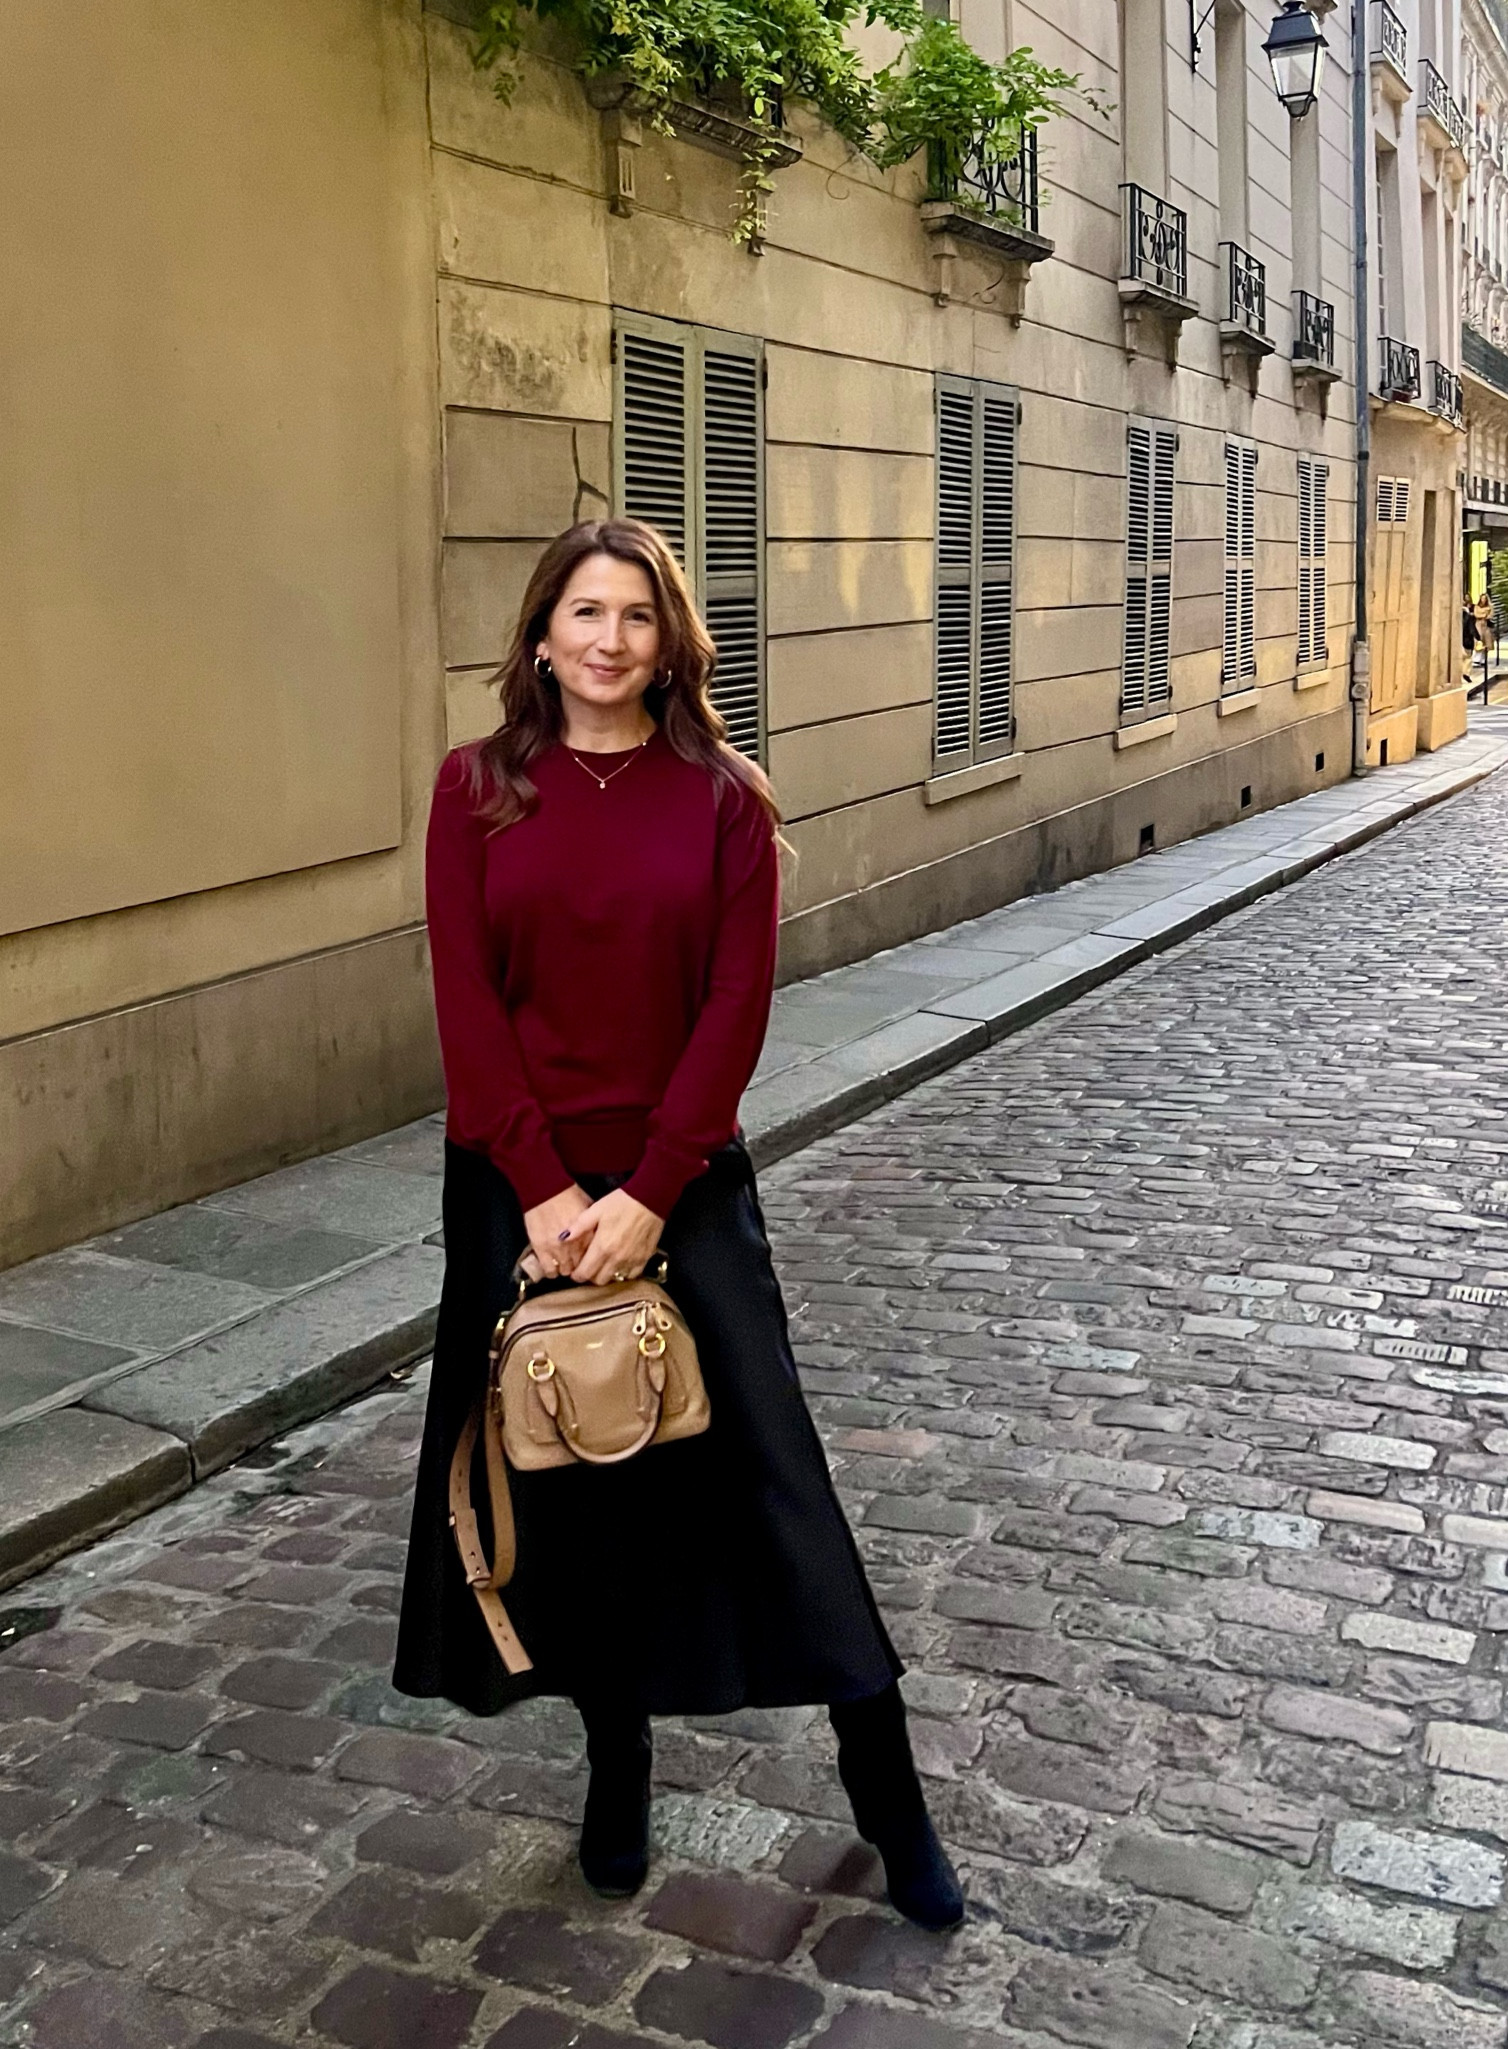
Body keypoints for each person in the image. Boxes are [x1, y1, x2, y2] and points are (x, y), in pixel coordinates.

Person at [393, 517, 964, 1931]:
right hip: (516, 1198)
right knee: (572, 1495)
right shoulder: (476, 791)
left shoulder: (719, 798)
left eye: (635, 615)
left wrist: (648, 1192)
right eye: (582, 611)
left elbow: (734, 1005)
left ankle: (890, 1802)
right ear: (539, 638)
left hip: (684, 1190)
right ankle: (615, 1762)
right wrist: (544, 1191)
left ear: (668, 643)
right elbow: (469, 1008)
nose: (607, 637)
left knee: (775, 1487)